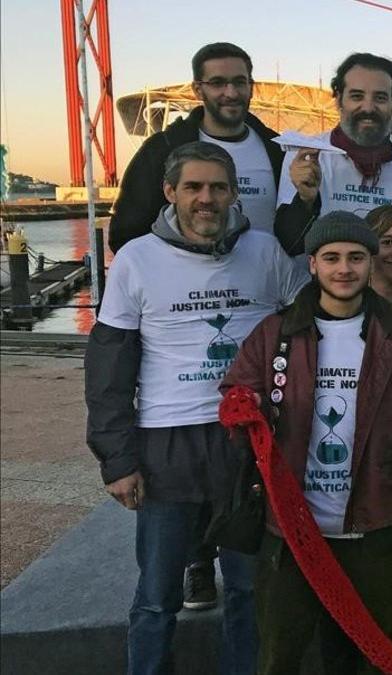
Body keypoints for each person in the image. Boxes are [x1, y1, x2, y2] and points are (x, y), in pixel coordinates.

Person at [85, 141, 309, 674]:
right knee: (157, 595)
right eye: (193, 187)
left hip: (248, 440)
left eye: (218, 187)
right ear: (170, 193)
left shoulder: (265, 253)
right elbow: (108, 367)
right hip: (169, 442)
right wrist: (117, 459)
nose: (206, 199)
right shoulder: (136, 259)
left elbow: (311, 322)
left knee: (247, 589)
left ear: (235, 194)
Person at [222, 211, 392, 673]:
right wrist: (239, 407)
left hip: (376, 530)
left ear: (372, 264)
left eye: (356, 257)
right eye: (331, 258)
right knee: (280, 657)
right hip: (292, 530)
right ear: (312, 264)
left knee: (377, 656)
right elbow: (238, 391)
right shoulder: (274, 333)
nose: (344, 268)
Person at [109, 42, 283, 251]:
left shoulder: (278, 150)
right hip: (186, 282)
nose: (231, 93)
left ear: (251, 87)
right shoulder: (162, 149)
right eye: (218, 83)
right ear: (197, 90)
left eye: (239, 82)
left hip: (267, 281)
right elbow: (126, 234)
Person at [275, 52, 392, 255]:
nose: (368, 107)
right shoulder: (306, 157)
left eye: (380, 97)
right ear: (338, 99)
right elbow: (289, 244)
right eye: (357, 96)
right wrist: (305, 201)